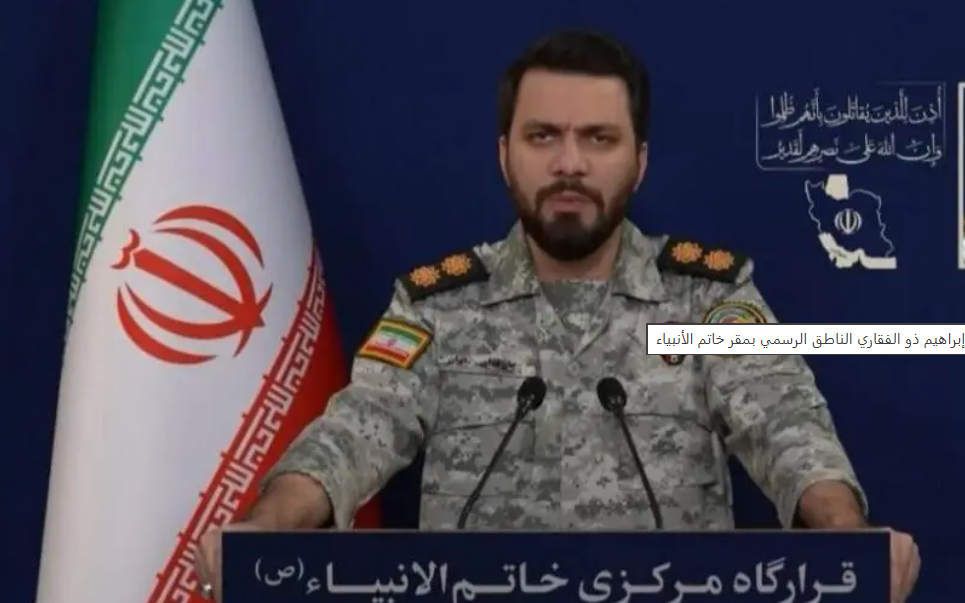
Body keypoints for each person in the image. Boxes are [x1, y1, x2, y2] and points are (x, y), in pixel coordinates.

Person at [195, 29, 920, 603]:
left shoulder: (702, 300)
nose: (569, 163)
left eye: (598, 138)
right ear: (503, 155)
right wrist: (269, 527)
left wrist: (845, 537)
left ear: (638, 162)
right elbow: (359, 429)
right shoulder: (438, 306)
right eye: (543, 136)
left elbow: (784, 422)